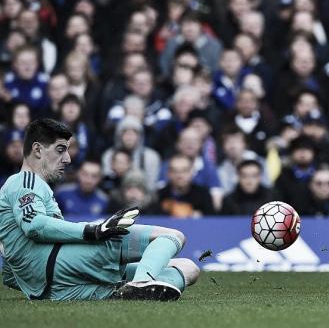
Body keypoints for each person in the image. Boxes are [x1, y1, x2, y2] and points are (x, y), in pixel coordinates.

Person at [0, 119, 199, 301]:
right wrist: (93, 230)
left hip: (59, 287)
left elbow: (9, 275)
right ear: (37, 150)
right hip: (62, 264)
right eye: (60, 149)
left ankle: (133, 290)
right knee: (173, 236)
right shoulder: (25, 180)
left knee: (188, 268)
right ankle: (140, 284)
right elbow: (34, 225)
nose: (67, 159)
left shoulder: (29, 189)